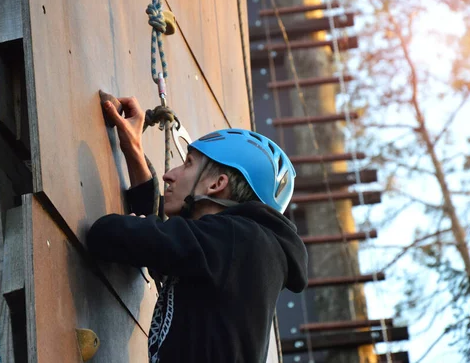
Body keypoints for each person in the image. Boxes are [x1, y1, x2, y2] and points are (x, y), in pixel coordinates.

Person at [87, 97, 308, 363]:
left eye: (188, 163)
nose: (171, 174)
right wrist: (133, 150)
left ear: (217, 184)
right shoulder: (238, 251)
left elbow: (107, 234)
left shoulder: (240, 241)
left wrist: (132, 229)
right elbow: (162, 244)